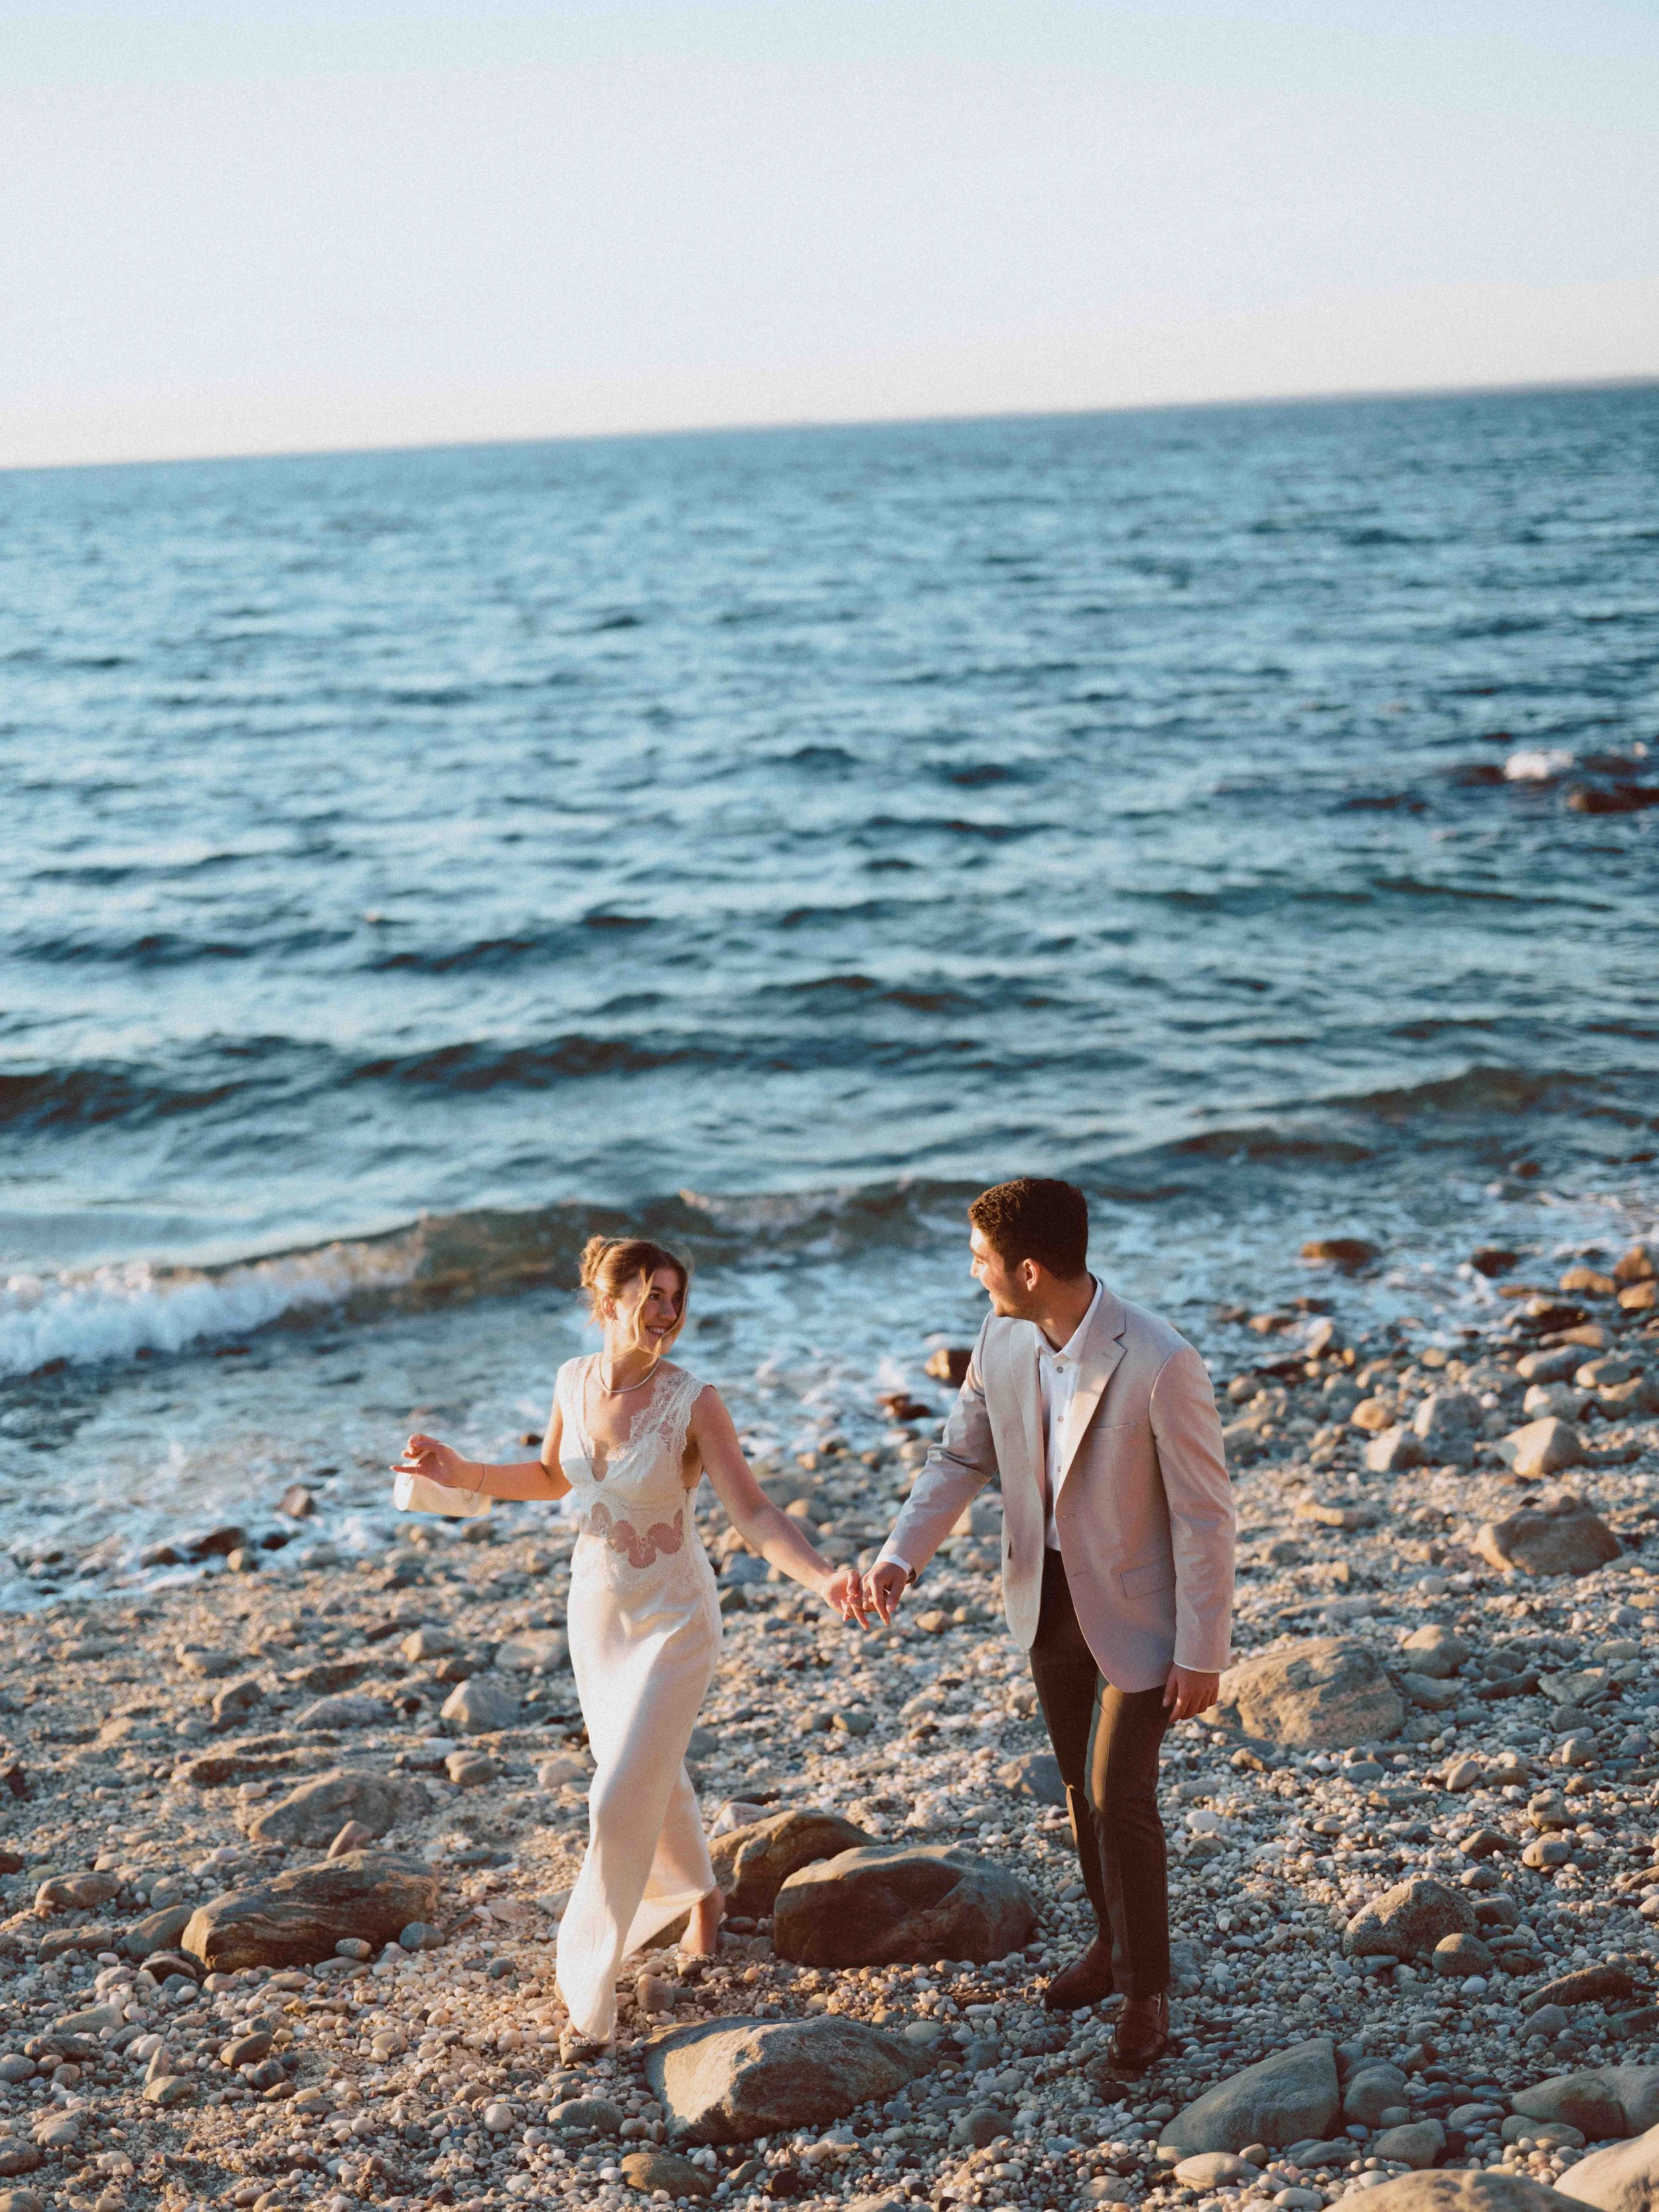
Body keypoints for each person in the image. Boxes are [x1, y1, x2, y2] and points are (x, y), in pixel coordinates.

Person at [394, 1234, 867, 2047]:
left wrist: (822, 1577)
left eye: (677, 1298)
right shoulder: (572, 1381)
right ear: (608, 1304)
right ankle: (703, 1898)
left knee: (616, 1794)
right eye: (653, 1296)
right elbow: (548, 1478)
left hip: (676, 1617)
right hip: (598, 1610)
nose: (668, 1313)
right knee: (648, 1768)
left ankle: (590, 1974)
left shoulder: (694, 1402)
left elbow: (752, 1514)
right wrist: (458, 1469)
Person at [863, 1178, 1233, 2073]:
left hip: (1144, 1614)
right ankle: (1109, 1945)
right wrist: (901, 1555)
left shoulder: (1158, 1358)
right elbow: (961, 1457)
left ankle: (1147, 1991)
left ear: (1028, 1269)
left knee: (1120, 1795)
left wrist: (1203, 1651)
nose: (973, 1271)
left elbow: (1205, 1515)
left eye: (981, 1258)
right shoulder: (1001, 1336)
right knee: (1076, 1786)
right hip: (1046, 1593)